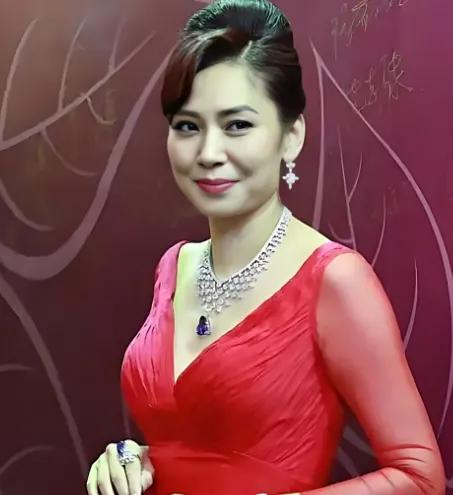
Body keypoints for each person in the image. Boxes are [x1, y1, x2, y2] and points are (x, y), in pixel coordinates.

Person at [86, 1, 446, 494]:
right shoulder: (175, 265)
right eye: (188, 126)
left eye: (237, 125)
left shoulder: (335, 280)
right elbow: (193, 444)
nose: (208, 153)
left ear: (291, 136)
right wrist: (132, 462)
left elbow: (419, 478)